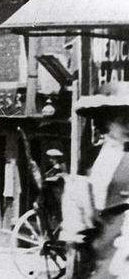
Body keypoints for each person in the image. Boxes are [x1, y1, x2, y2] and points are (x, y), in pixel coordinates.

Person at [63, 82, 129, 279]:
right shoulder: (93, 158)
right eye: (122, 118)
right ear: (106, 119)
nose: (128, 124)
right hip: (98, 249)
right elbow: (79, 212)